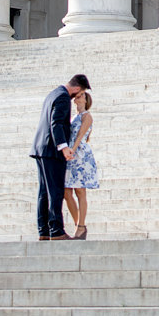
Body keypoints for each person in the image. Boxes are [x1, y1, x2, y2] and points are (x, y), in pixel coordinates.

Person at [30, 74, 91, 240]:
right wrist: (63, 147)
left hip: (40, 147)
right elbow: (56, 122)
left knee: (44, 191)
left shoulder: (53, 93)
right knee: (55, 190)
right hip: (52, 150)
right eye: (79, 93)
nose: (75, 98)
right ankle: (56, 230)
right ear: (77, 89)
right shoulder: (63, 97)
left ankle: (43, 231)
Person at [63, 89, 99, 240]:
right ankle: (79, 224)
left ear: (85, 99)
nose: (79, 96)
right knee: (66, 191)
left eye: (82, 95)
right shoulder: (74, 117)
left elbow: (80, 135)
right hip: (70, 154)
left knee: (80, 191)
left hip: (80, 154)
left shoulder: (87, 116)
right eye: (78, 95)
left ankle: (81, 226)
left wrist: (73, 149)